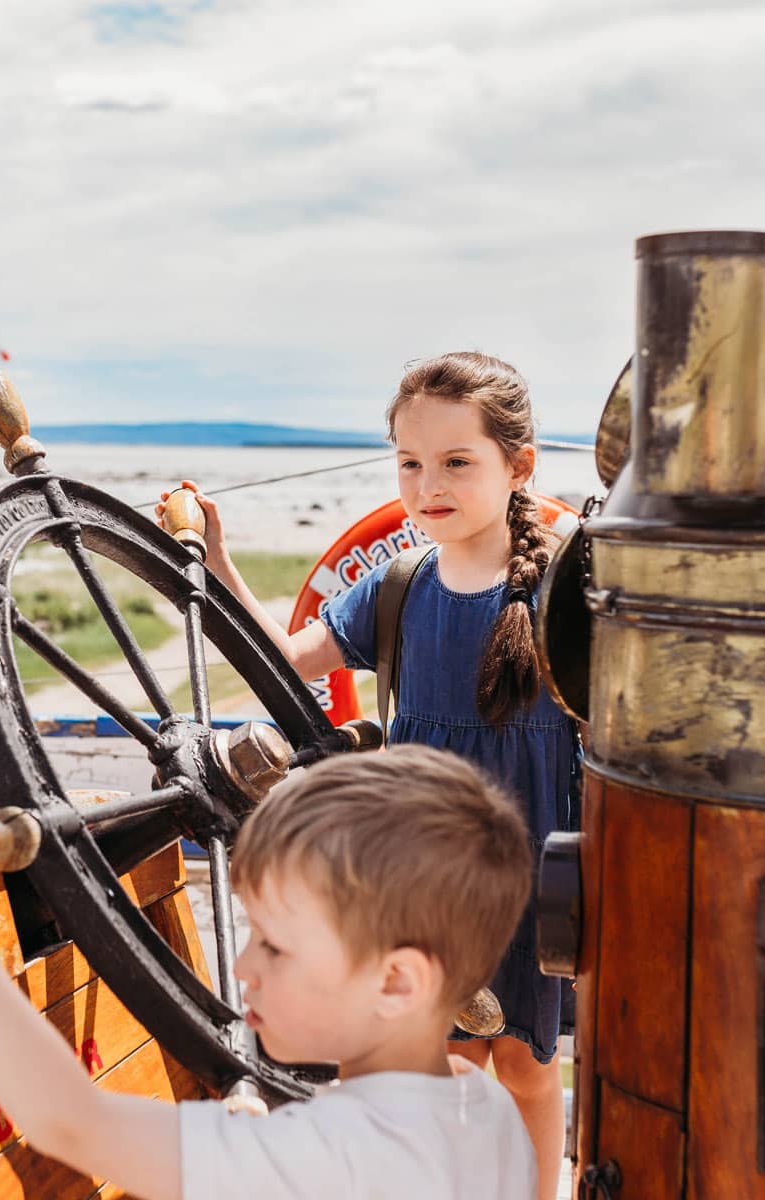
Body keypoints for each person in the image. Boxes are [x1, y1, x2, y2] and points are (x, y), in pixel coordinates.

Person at [162, 350, 576, 1200]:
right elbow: (280, 662)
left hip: (537, 869)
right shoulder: (396, 587)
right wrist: (216, 560)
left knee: (527, 1072)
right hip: (423, 873)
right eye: (411, 463)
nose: (430, 484)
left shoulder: (566, 587)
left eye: (458, 462)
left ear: (519, 467)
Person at [0, 744, 537, 1200]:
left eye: (276, 947)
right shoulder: (485, 1109)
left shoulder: (331, 1154)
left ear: (397, 983)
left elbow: (71, 1123)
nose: (243, 966)